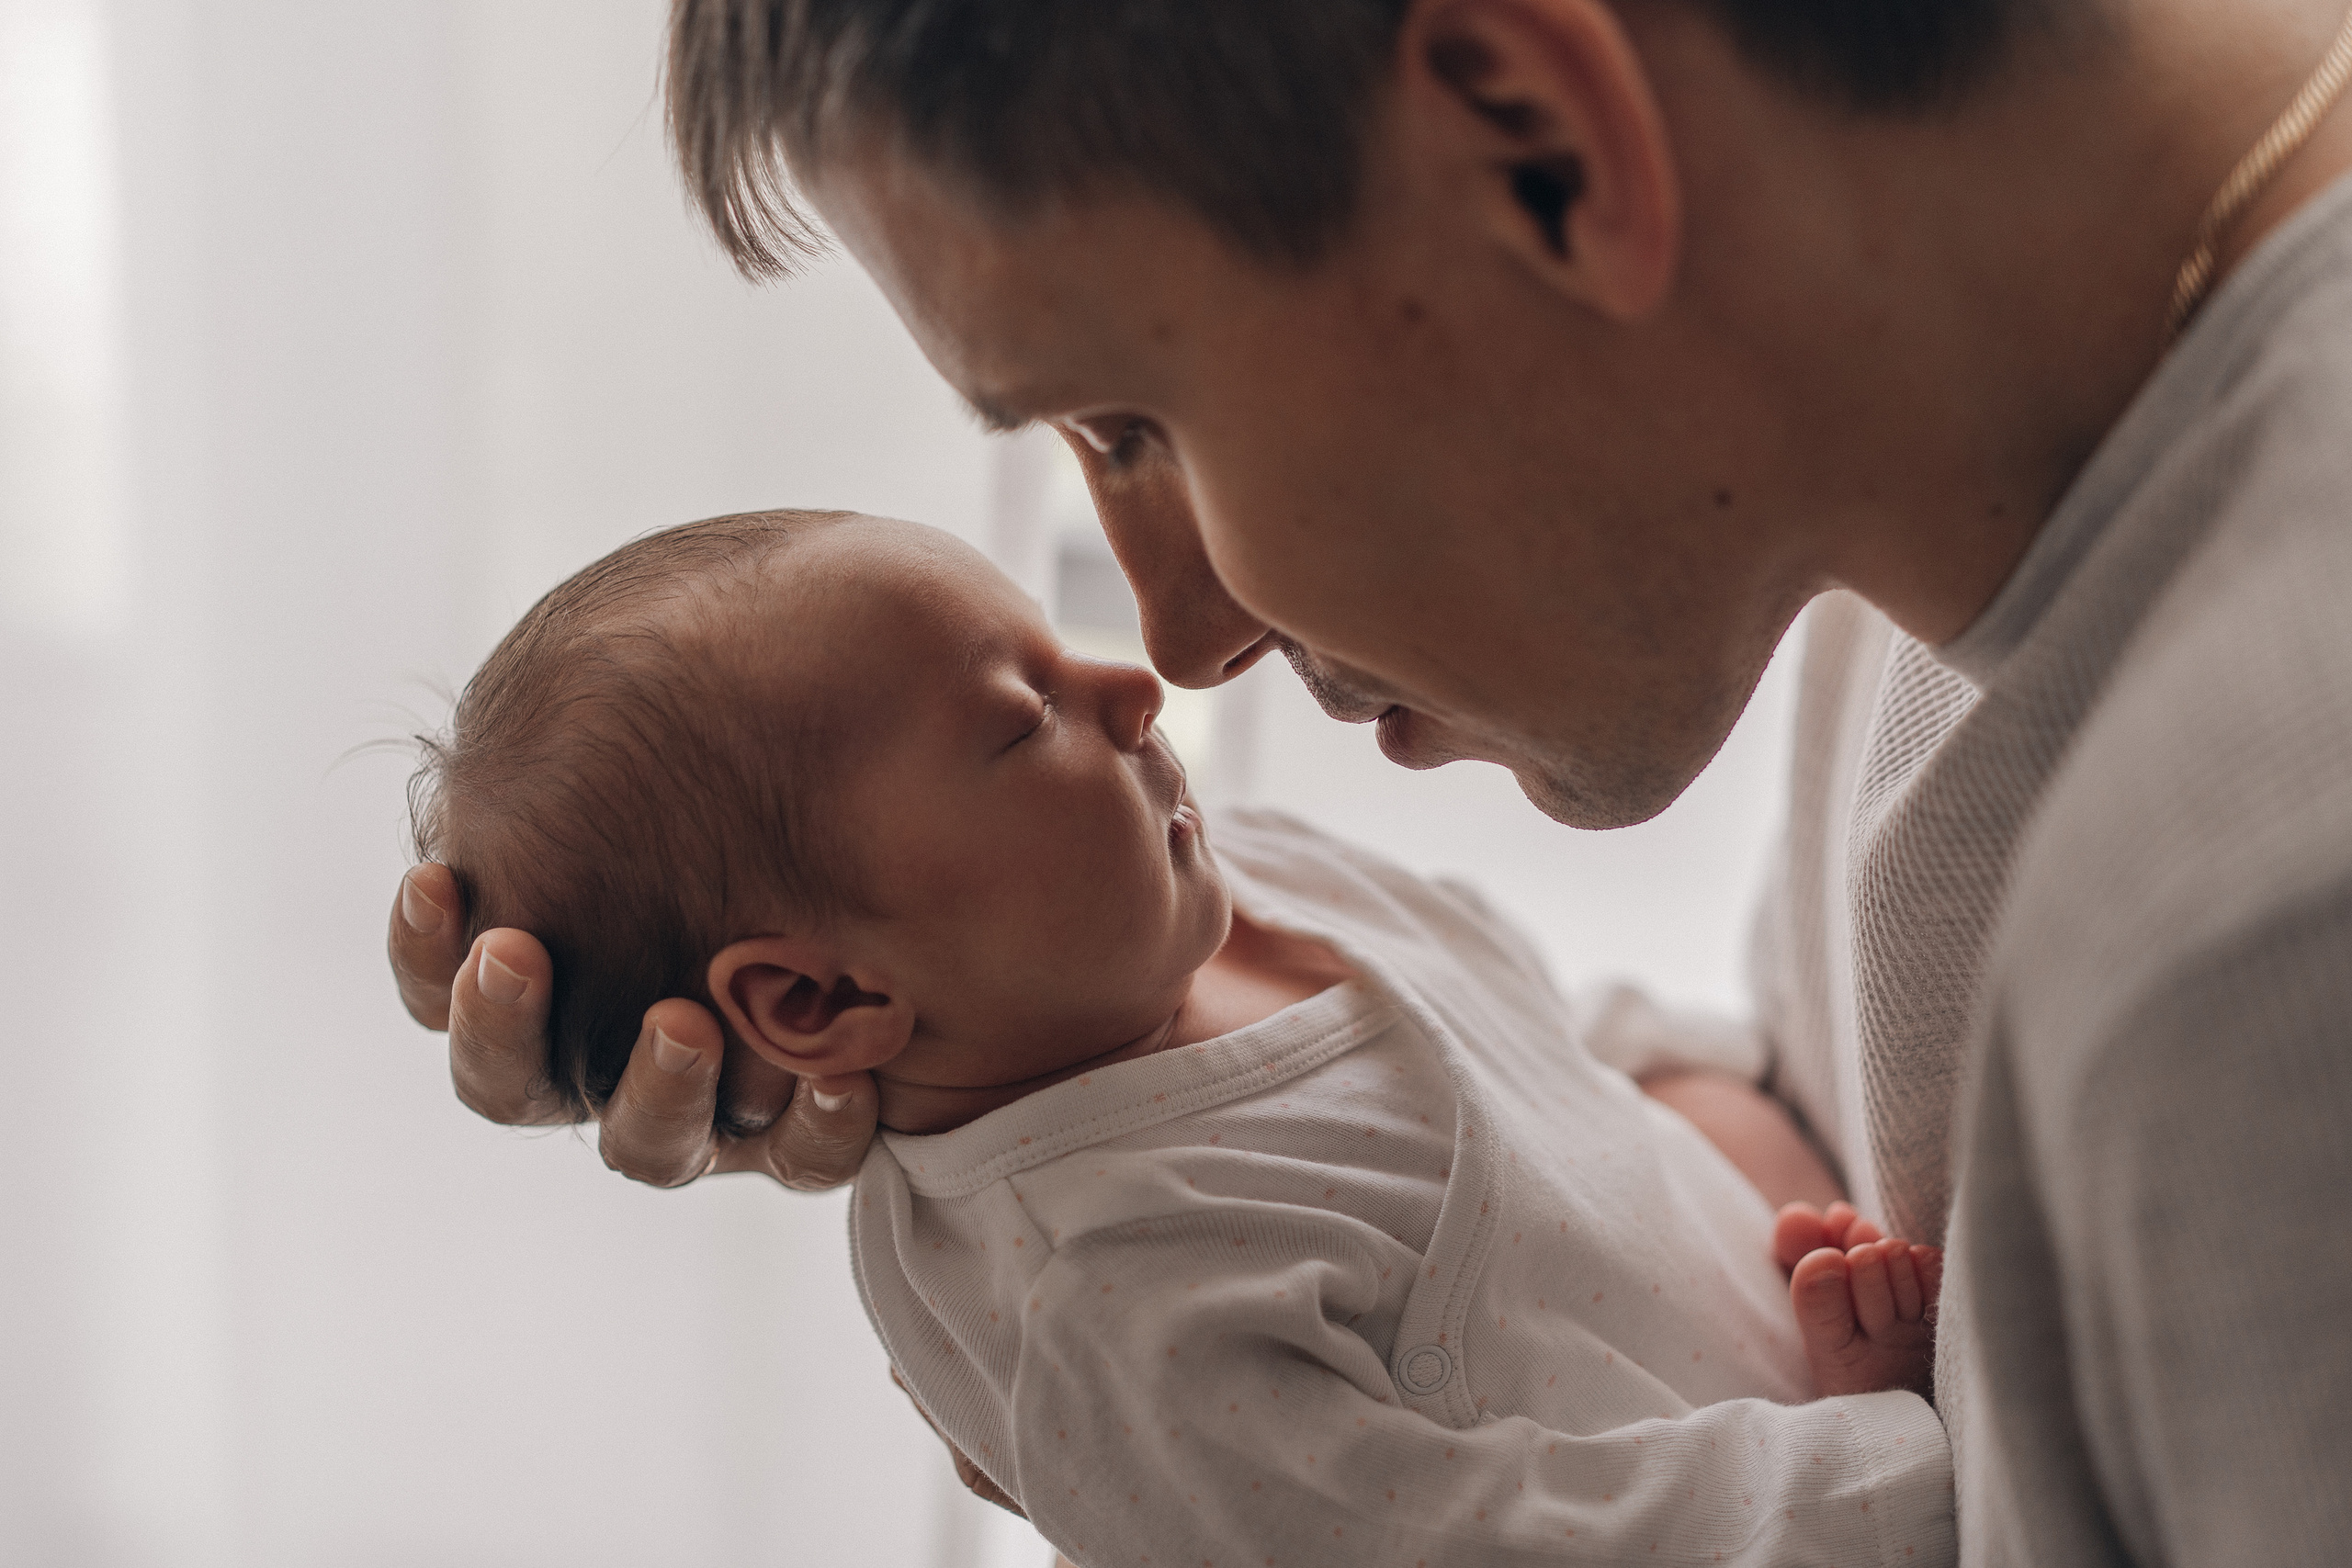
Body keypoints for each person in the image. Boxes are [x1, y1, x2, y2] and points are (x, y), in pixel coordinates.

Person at [390, 1, 2352, 1561]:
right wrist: (1053, 1116)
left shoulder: (2255, 936)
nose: (1176, 636)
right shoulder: (1962, 493)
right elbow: (1821, 1124)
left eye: (1136, 418)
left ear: (1533, 141)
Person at [413, 506, 1951, 1563]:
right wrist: (1886, 1465)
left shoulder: (1226, 877)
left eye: (1050, 642)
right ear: (816, 1004)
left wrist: (1705, 1099)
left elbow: (1516, 1024)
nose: (1134, 683)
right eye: (1020, 724)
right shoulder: (1119, 1306)